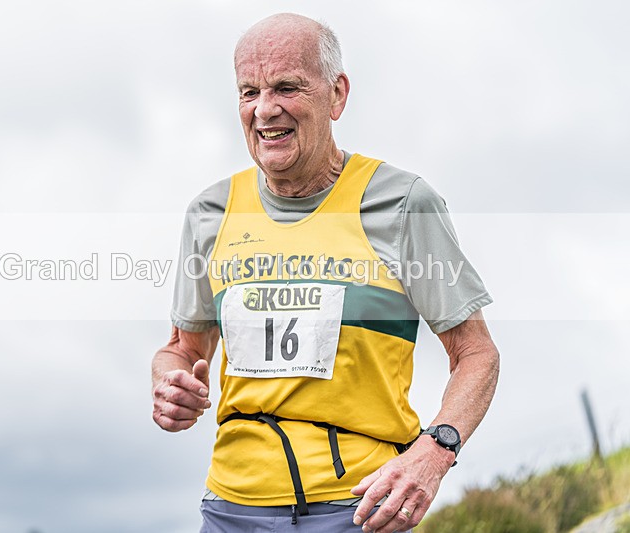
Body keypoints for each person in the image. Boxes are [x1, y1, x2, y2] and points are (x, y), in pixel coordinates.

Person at [151, 12, 500, 533]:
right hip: (230, 508)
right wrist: (170, 384)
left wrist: (435, 451)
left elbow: (476, 355)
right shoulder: (211, 213)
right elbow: (184, 347)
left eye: (286, 87)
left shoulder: (402, 204)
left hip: (359, 507)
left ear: (337, 95)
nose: (265, 109)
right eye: (249, 92)